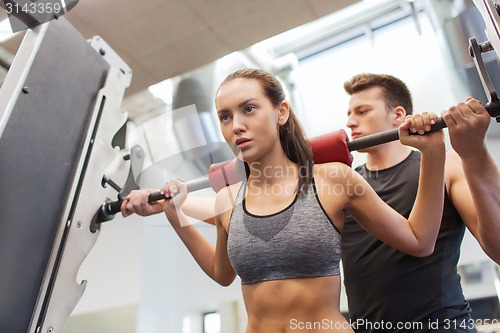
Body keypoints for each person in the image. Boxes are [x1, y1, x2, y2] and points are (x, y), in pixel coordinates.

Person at [122, 68, 446, 333]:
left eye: (249, 109)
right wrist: (175, 213)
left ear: (281, 112)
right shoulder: (228, 197)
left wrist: (433, 153)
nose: (236, 126)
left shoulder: (332, 179)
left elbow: (419, 240)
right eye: (224, 116)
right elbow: (223, 274)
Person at [341, 73, 500, 333]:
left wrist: (474, 151)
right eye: (349, 113)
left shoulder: (446, 166)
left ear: (397, 114)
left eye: (362, 111)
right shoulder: (345, 186)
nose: (350, 121)